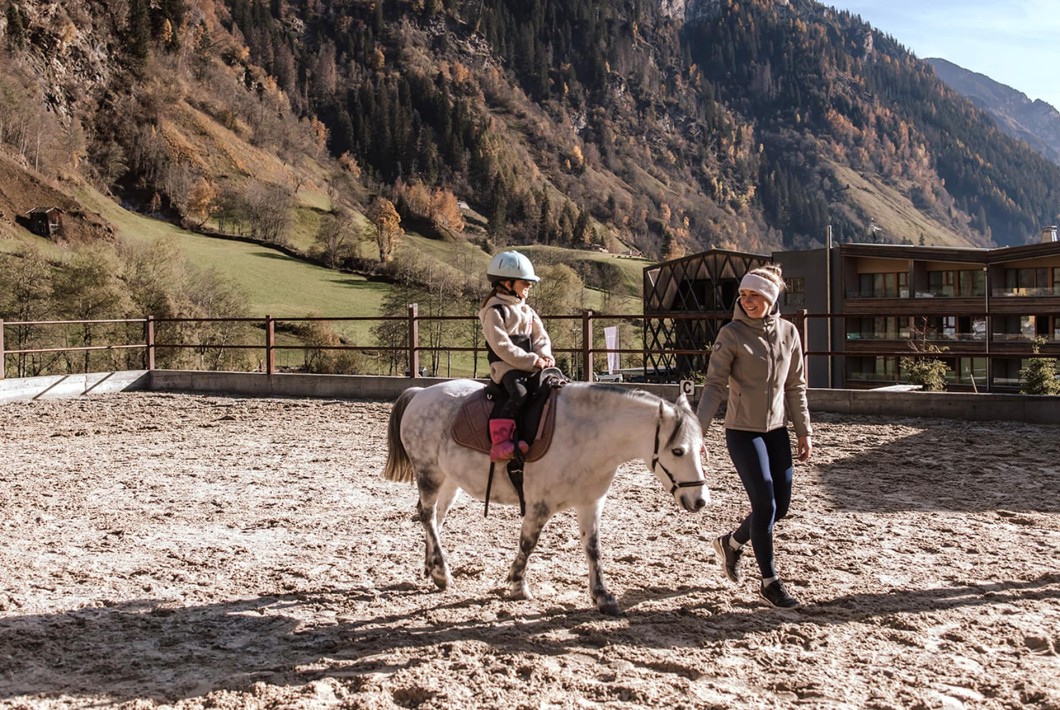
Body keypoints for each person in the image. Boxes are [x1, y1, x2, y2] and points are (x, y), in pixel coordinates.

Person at [696, 263, 813, 608]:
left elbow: (795, 386)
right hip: (742, 433)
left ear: (770, 298)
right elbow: (714, 388)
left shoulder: (790, 333)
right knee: (765, 504)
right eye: (743, 295)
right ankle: (769, 581)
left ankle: (731, 543)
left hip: (777, 431)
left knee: (781, 508)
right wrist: (697, 432)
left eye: (755, 296)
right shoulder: (731, 335)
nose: (747, 301)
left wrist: (804, 430)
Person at [478, 251, 555, 462]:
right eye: (525, 282)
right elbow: (502, 347)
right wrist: (532, 361)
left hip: (530, 364)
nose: (529, 286)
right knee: (519, 393)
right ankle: (500, 441)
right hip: (506, 367)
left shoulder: (527, 311)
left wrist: (545, 355)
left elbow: (541, 337)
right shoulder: (494, 312)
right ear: (506, 283)